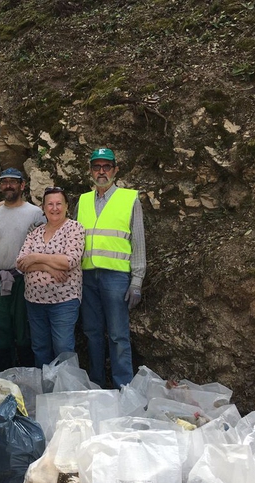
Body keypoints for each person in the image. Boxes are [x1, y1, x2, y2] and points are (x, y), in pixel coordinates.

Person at [76, 148, 146, 388]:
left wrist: (137, 281)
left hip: (116, 277)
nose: (101, 171)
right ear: (90, 171)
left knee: (118, 335)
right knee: (92, 333)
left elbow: (138, 241)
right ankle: (96, 385)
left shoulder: (129, 199)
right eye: (97, 167)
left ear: (115, 170)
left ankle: (123, 388)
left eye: (106, 166)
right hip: (87, 276)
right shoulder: (83, 201)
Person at [0, 168, 45, 371]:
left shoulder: (35, 213)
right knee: (0, 327)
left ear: (22, 185)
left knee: (23, 329)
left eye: (13, 182)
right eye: (4, 182)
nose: (8, 185)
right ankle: (3, 375)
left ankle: (28, 374)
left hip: (26, 279)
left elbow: (44, 245)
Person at [17, 187, 85, 367]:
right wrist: (48, 267)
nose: (54, 208)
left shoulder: (74, 228)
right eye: (50, 204)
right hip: (34, 301)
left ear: (67, 206)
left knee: (63, 347)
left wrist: (36, 258)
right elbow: (21, 263)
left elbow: (70, 261)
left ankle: (66, 384)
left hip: (64, 300)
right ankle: (45, 384)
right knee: (40, 348)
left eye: (59, 204)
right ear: (43, 208)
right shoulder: (35, 232)